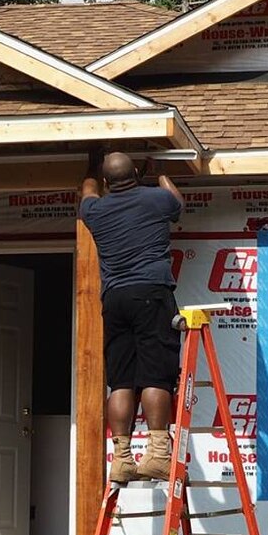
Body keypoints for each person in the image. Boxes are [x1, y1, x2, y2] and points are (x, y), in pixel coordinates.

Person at [79, 151, 185, 482]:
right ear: (137, 173)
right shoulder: (156, 198)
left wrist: (93, 173)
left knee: (121, 380)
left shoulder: (95, 209)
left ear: (108, 181)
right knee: (156, 376)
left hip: (115, 299)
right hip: (151, 294)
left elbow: (87, 189)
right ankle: (157, 454)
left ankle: (122, 459)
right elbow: (176, 201)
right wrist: (161, 172)